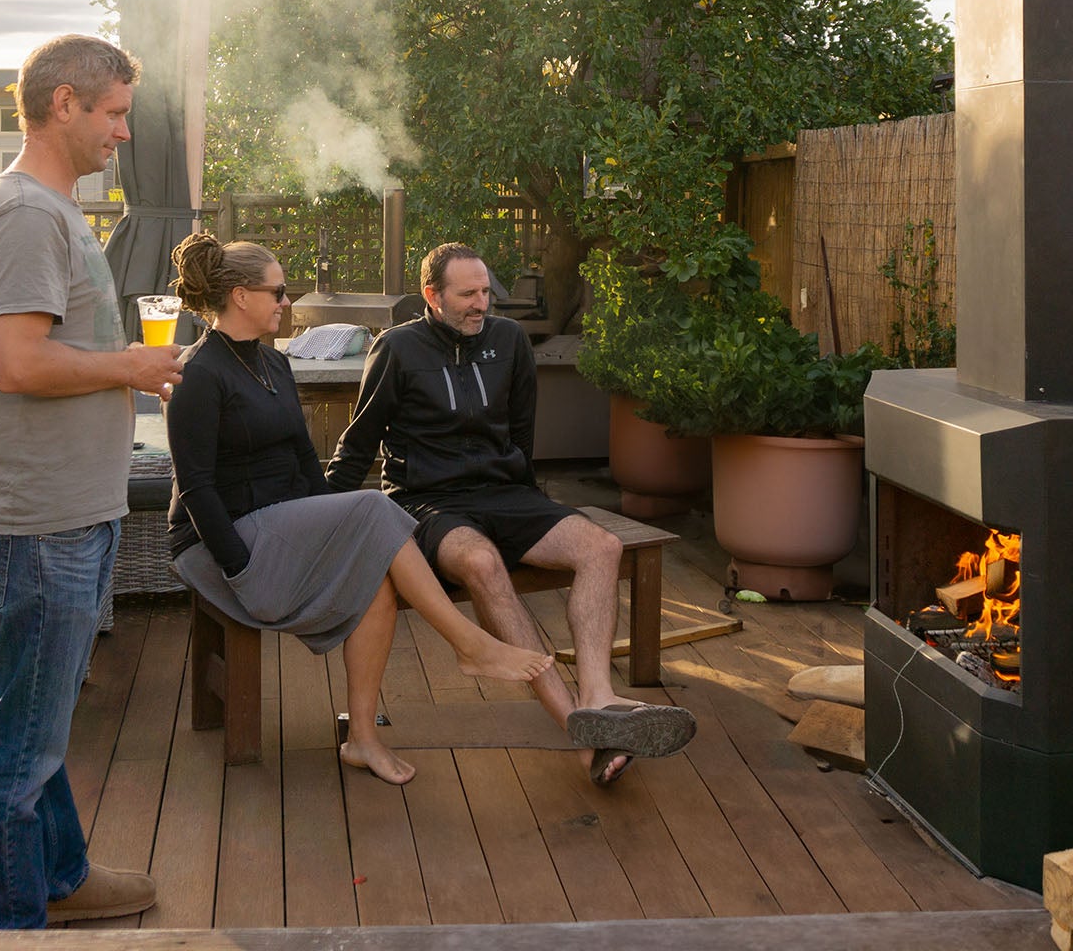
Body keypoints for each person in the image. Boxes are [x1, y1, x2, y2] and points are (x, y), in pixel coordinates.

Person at [166, 232, 553, 786]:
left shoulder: (272, 366)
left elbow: (304, 464)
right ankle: (469, 645)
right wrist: (241, 569)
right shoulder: (199, 373)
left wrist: (338, 528)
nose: (286, 302)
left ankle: (363, 739)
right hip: (219, 544)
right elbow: (197, 489)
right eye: (277, 291)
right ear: (240, 296)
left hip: (274, 525)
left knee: (374, 567)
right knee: (373, 509)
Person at [0, 35, 187, 930]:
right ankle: (4, 931)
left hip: (68, 512)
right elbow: (15, 361)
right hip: (43, 520)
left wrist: (118, 363)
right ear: (64, 104)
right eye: (115, 113)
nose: (123, 133)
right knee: (20, 746)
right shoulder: (25, 215)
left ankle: (60, 876)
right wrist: (127, 367)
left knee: (38, 727)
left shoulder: (51, 209)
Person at [327, 243, 696, 786]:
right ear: (433, 296)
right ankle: (575, 725)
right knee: (480, 563)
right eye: (468, 294)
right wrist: (322, 520)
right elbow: (356, 445)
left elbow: (522, 432)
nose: (481, 304)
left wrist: (531, 509)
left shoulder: (509, 340)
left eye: (485, 292)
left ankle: (595, 697)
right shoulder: (398, 350)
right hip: (428, 501)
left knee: (602, 547)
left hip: (507, 493)